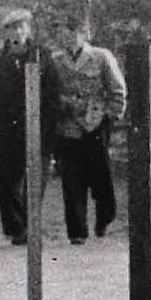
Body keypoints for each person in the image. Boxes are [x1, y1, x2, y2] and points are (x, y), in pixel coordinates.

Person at [45, 16, 128, 244]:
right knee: (71, 182)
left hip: (95, 125)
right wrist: (61, 105)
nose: (68, 37)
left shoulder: (101, 57)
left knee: (101, 179)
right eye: (64, 32)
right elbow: (49, 94)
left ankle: (104, 218)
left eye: (73, 32)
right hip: (68, 128)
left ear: (84, 34)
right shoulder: (55, 61)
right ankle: (77, 232)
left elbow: (118, 90)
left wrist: (110, 117)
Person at [0, 10, 43, 245]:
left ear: (28, 29)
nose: (17, 32)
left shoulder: (39, 55)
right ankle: (16, 228)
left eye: (21, 27)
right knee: (9, 179)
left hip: (34, 124)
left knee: (35, 175)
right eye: (12, 28)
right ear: (6, 33)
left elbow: (50, 89)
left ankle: (34, 224)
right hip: (6, 128)